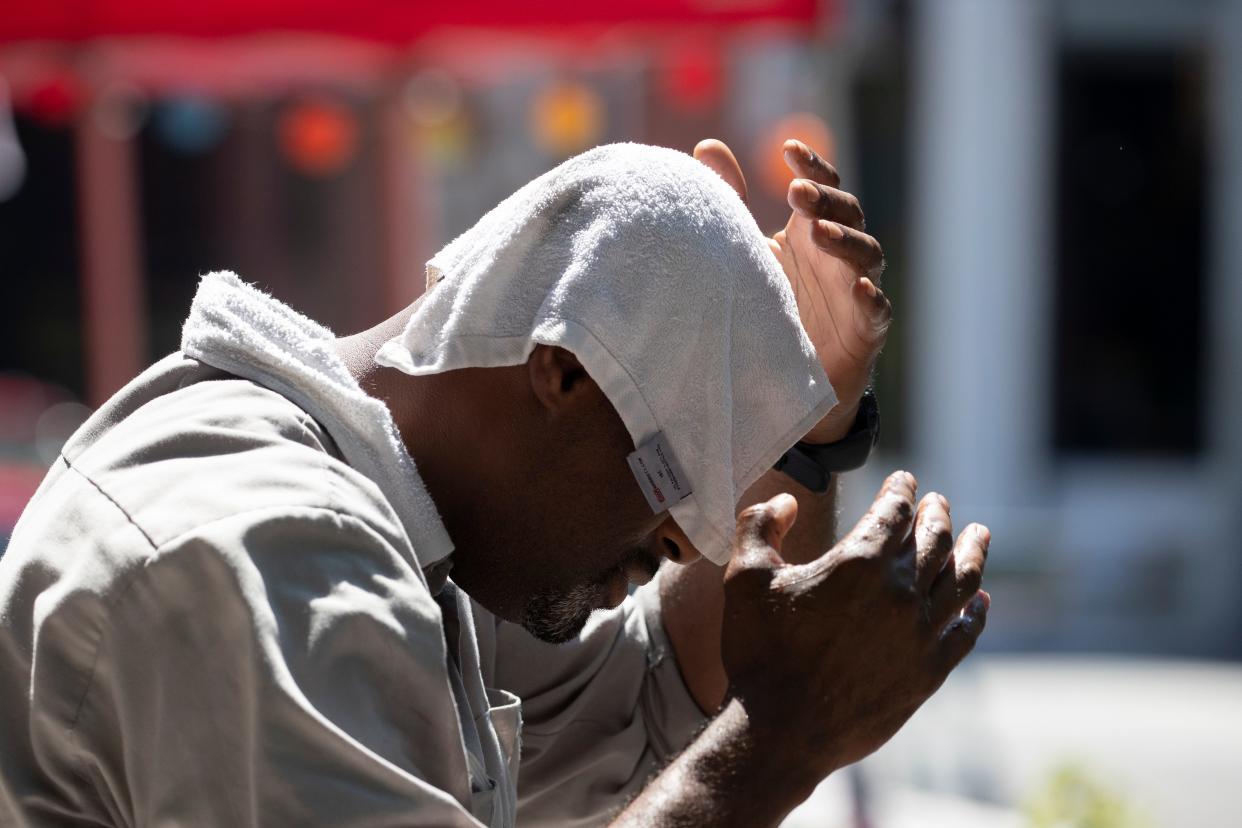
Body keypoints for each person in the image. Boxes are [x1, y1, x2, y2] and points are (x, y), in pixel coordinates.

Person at [0, 138, 990, 827]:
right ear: (560, 369)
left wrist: (805, 426)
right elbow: (715, 724)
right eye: (666, 506)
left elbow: (659, 693)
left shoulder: (394, 530)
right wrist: (779, 742)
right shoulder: (272, 550)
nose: (674, 553)